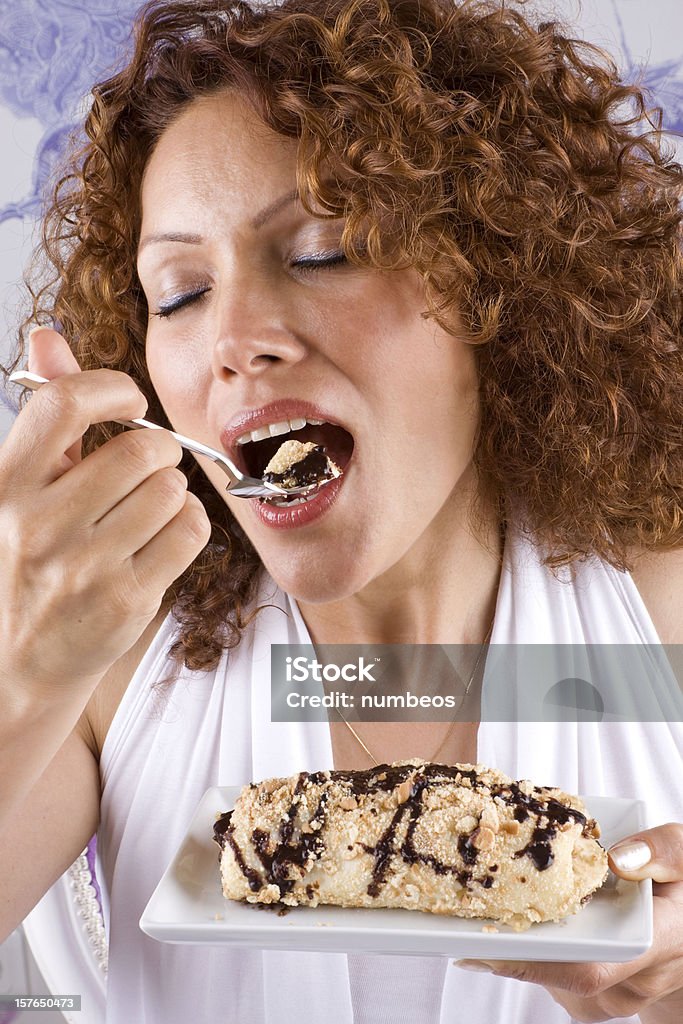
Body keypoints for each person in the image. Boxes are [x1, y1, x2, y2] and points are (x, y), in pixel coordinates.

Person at [1, 0, 682, 1021]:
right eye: (179, 293)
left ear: (491, 282)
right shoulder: (106, 665)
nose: (233, 337)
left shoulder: (660, 603)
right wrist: (23, 675)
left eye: (320, 252)